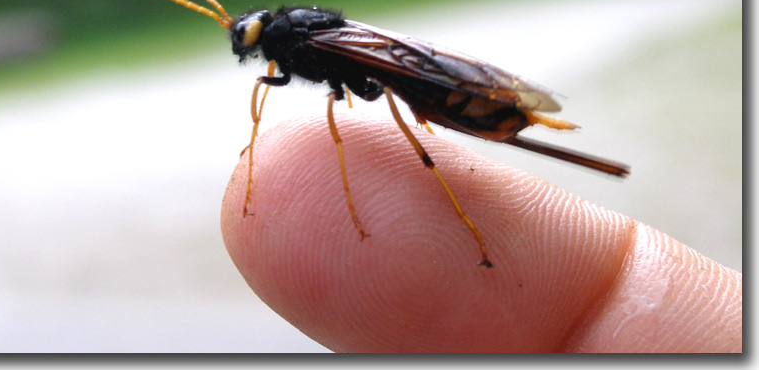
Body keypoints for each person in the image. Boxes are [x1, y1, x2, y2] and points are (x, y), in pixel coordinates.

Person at [221, 115, 742, 353]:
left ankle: (490, 175)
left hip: (424, 84)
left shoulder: (308, 49)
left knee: (416, 150)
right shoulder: (305, 48)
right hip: (417, 83)